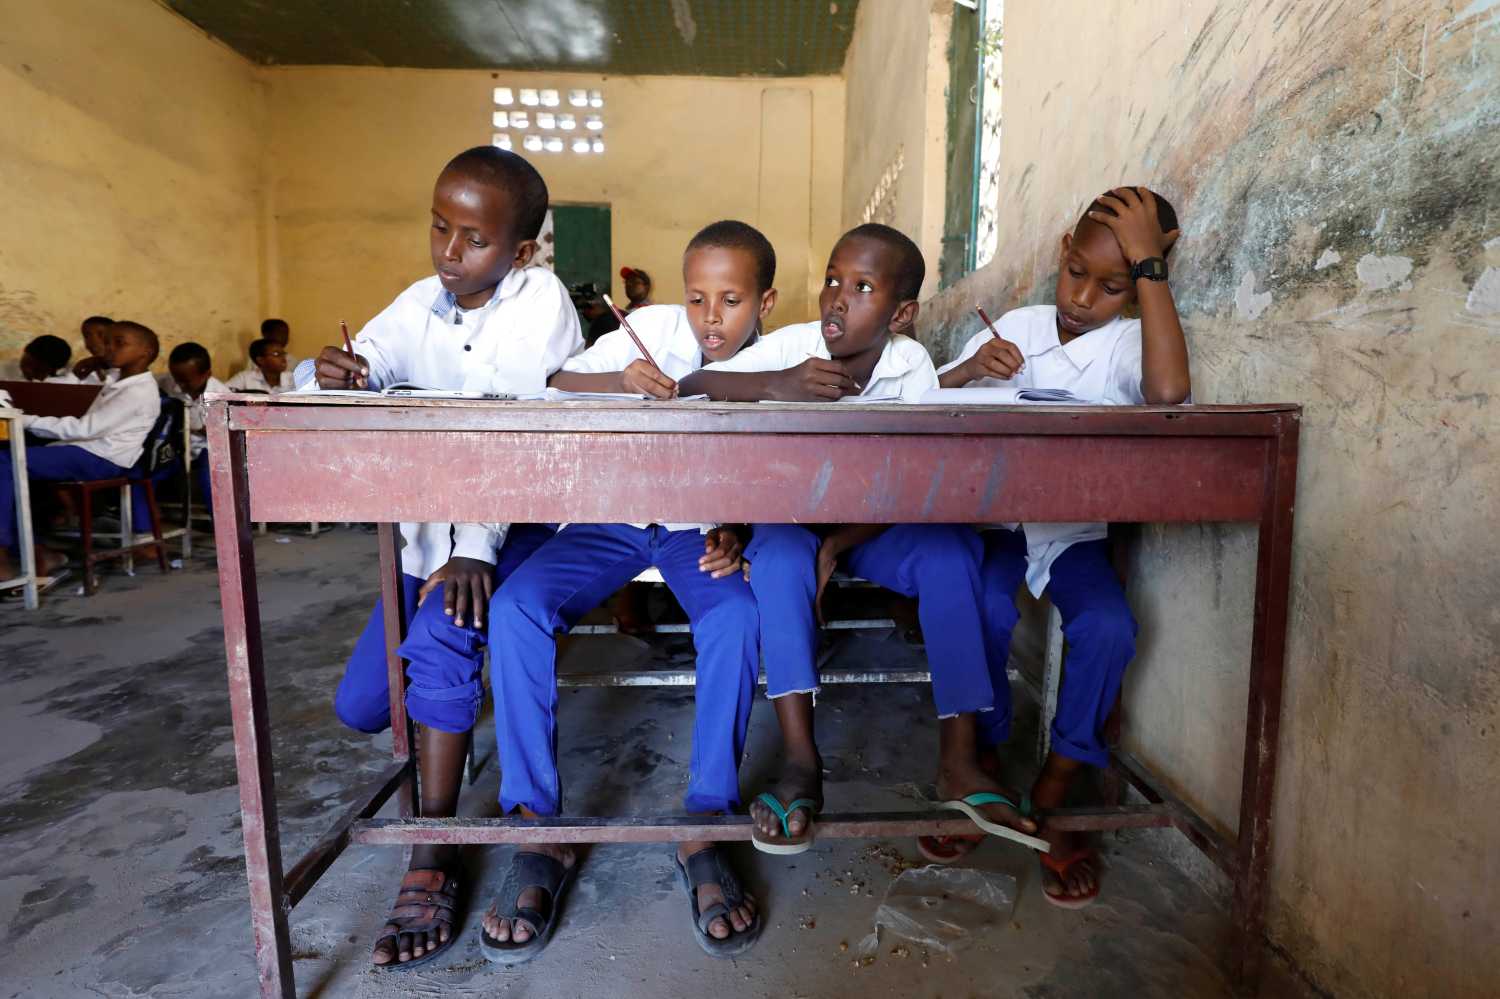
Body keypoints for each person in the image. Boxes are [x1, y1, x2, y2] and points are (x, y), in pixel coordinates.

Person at [680, 224, 1041, 857]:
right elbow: (692, 386)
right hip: (790, 520)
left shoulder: (910, 366)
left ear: (901, 314)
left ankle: (959, 757)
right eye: (832, 281)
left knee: (950, 549)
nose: (836, 300)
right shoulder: (793, 347)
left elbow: (920, 482)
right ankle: (800, 759)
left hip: (871, 525)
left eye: (862, 288)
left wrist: (839, 544)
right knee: (784, 557)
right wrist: (778, 384)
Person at [310, 145, 582, 971]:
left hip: (516, 525)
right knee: (364, 705)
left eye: (474, 239)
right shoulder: (421, 301)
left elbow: (508, 428)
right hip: (433, 534)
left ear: (521, 251)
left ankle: (435, 849)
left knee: (441, 633)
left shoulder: (541, 302)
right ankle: (451, 694)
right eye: (439, 227)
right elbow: (373, 362)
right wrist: (340, 375)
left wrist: (473, 548)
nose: (448, 251)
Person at [477, 220, 778, 963]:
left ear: (764, 302)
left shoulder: (780, 358)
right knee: (515, 606)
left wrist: (739, 527)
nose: (712, 317)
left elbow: (782, 465)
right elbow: (553, 383)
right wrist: (617, 380)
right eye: (699, 297)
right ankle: (536, 825)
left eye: (732, 300)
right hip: (609, 517)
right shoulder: (646, 328)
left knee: (737, 615)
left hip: (694, 529)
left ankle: (706, 817)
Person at [927, 186, 1189, 906]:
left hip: (1072, 528)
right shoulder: (1018, 323)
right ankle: (981, 757)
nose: (1082, 298)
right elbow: (926, 397)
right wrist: (970, 371)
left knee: (1109, 625)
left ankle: (1063, 780)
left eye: (1113, 285)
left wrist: (1148, 270)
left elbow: (1168, 393)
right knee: (979, 601)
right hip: (997, 520)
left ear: (1140, 281)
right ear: (1059, 257)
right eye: (1075, 272)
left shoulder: (1135, 340)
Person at [0, 321, 161, 581]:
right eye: (107, 342)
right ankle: (35, 550)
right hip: (89, 450)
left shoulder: (137, 392)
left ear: (146, 351)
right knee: (12, 465)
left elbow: (85, 429)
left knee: (6, 463)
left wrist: (22, 419)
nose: (109, 349)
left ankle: (7, 553)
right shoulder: (119, 381)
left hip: (102, 458)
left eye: (119, 343)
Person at [162, 342, 227, 508]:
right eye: (176, 378)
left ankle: (222, 525)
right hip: (176, 448)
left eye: (185, 381)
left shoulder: (222, 396)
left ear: (207, 374)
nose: (179, 386)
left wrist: (204, 429)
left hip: (208, 449)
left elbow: (225, 434)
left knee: (211, 473)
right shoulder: (167, 383)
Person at [227, 339, 292, 393]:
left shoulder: (294, 380)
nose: (283, 358)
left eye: (283, 354)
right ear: (261, 360)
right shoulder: (245, 378)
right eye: (276, 354)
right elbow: (223, 393)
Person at [71, 315, 114, 382]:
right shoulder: (84, 372)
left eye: (101, 335)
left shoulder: (128, 371)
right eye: (86, 336)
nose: (94, 341)